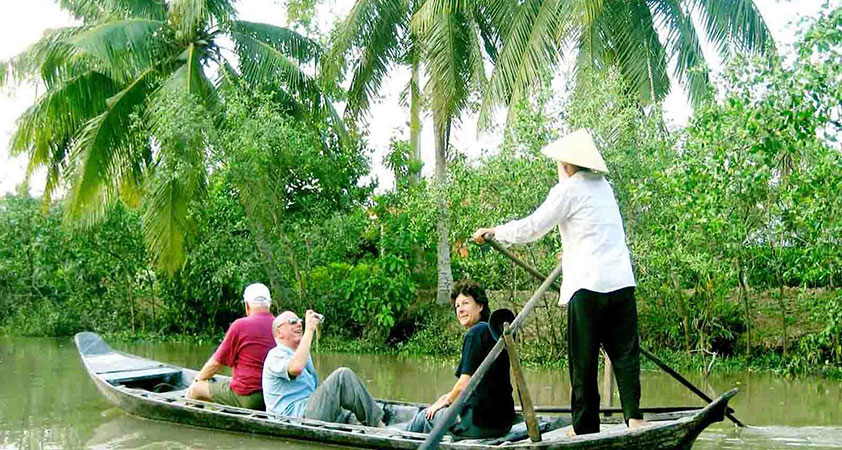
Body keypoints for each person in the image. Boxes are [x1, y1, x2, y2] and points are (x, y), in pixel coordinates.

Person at [472, 129, 647, 436]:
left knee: (583, 361)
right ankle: (634, 419)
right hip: (621, 283)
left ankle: (584, 429)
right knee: (625, 354)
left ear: (566, 165)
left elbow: (533, 227)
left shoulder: (567, 190)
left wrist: (496, 231)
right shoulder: (605, 187)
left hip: (588, 288)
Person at [396, 279, 515, 439]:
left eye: (465, 303)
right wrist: (447, 397)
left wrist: (445, 401)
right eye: (457, 306)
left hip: (479, 424)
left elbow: (464, 384)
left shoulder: (476, 333)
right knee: (439, 407)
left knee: (425, 416)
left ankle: (395, 437)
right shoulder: (495, 335)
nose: (460, 310)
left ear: (480, 306)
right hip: (503, 424)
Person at [262, 309, 385, 427]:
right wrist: (309, 330)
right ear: (279, 332)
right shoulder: (275, 355)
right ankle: (380, 427)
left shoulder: (300, 353)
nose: (299, 324)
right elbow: (296, 368)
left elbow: (314, 389)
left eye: (300, 321)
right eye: (293, 322)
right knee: (342, 376)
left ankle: (366, 421)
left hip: (309, 409)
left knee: (348, 411)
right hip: (296, 418)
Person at [186, 283, 275, 410]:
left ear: (247, 305)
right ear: (269, 304)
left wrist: (196, 381)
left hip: (247, 398)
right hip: (271, 397)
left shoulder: (240, 326)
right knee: (219, 386)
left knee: (196, 389)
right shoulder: (279, 326)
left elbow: (215, 364)